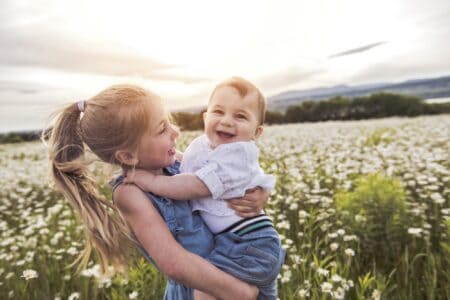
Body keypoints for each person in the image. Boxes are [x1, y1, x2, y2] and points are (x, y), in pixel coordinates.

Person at [48, 84, 271, 299]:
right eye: (162, 129)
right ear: (128, 157)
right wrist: (235, 291)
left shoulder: (175, 161)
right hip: (203, 288)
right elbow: (174, 263)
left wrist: (259, 191)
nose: (175, 132)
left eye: (169, 122)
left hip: (231, 264)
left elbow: (231, 174)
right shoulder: (130, 194)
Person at [124, 77, 285, 299]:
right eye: (219, 112)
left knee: (205, 293)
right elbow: (186, 165)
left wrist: (151, 182)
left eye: (240, 116)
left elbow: (196, 184)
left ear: (256, 133)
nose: (227, 121)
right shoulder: (207, 146)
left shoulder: (238, 153)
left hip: (248, 242)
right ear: (205, 117)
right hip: (236, 241)